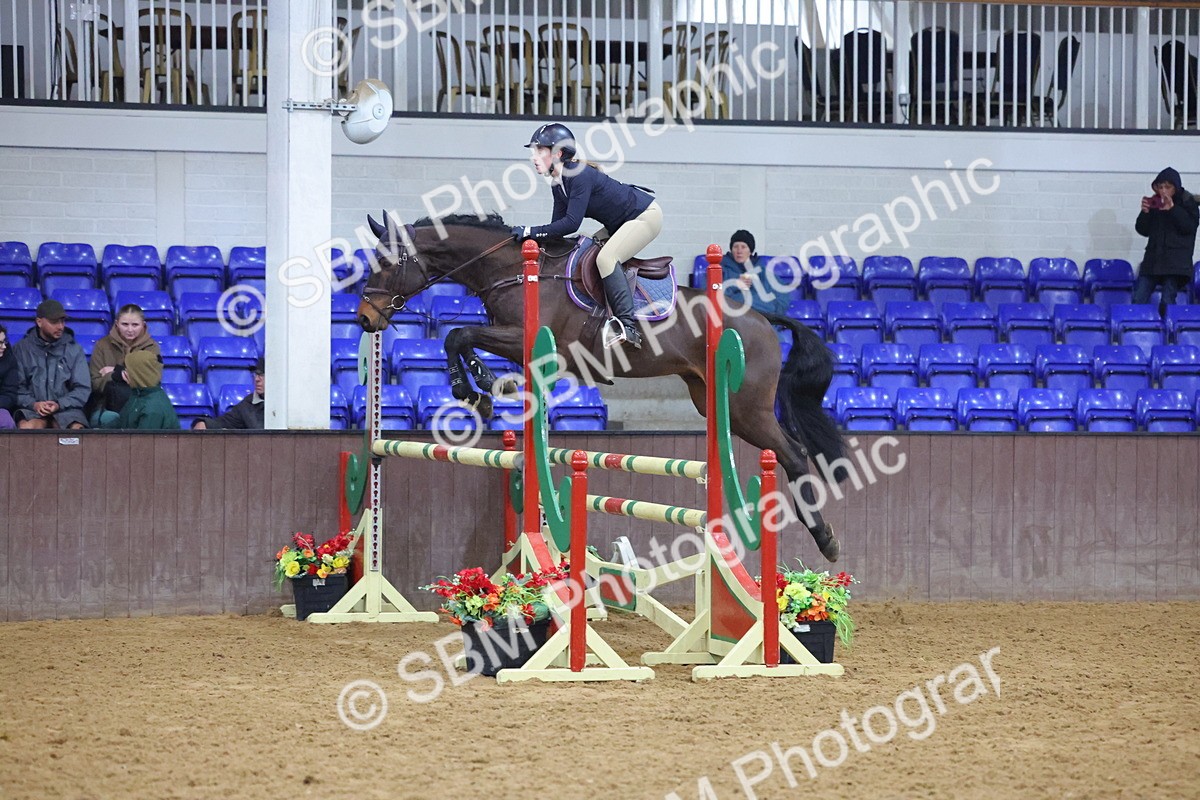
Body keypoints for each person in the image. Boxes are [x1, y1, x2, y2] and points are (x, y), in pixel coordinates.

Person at [513, 122, 662, 349]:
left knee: (606, 259)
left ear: (558, 153)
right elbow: (558, 228)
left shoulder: (579, 175)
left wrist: (529, 231)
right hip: (619, 223)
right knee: (587, 249)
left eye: (539, 151)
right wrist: (532, 238)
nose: (533, 157)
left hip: (645, 217)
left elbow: (571, 223)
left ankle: (627, 327)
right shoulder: (558, 183)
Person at [12, 299, 90, 429]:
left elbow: (82, 389)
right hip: (30, 409)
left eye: (63, 321)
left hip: (67, 410)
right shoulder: (21, 349)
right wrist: (34, 404)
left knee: (76, 430)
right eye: (54, 322)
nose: (60, 326)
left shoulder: (74, 349)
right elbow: (15, 388)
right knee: (28, 429)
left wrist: (59, 404)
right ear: (39, 322)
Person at [1132, 167, 1199, 316]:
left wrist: (1173, 209)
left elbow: (1189, 227)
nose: (1163, 191)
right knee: (1138, 299)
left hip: (1176, 263)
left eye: (1167, 187)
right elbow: (1143, 230)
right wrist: (1145, 213)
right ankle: (1139, 331)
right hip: (1153, 260)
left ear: (1176, 187)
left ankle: (1167, 335)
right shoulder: (1154, 203)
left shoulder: (1188, 202)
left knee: (1167, 301)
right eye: (1160, 187)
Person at [88, 304, 161, 425]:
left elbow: (152, 381)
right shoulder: (102, 345)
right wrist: (127, 375)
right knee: (107, 419)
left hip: (142, 404)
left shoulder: (152, 347)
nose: (130, 330)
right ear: (116, 323)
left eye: (135, 325)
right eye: (125, 324)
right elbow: (95, 383)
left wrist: (116, 372)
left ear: (143, 324)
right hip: (107, 404)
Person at [98, 350, 179, 430]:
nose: (124, 372)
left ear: (138, 375)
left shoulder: (153, 409)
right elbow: (122, 422)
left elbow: (142, 441)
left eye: (128, 370)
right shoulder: (138, 394)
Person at [721, 229, 792, 317]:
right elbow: (711, 298)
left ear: (750, 251)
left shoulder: (764, 273)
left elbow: (782, 300)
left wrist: (771, 311)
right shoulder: (721, 270)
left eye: (743, 247)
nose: (739, 251)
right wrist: (734, 285)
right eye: (735, 247)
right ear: (731, 250)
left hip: (764, 322)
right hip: (732, 322)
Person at [191, 358, 265, 430]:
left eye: (262, 375)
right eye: (256, 374)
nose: (257, 379)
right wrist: (204, 423)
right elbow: (224, 422)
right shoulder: (247, 405)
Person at [0, 322, 19, 429]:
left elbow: (9, 395)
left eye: (4, 342)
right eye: (0, 343)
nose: (4, 346)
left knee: (5, 421)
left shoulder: (9, 359)